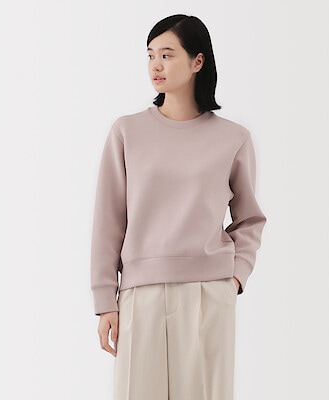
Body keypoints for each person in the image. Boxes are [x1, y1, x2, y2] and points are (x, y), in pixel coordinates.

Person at [90, 14, 266, 400]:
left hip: (209, 293)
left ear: (197, 61)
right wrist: (105, 300)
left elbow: (250, 219)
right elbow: (108, 220)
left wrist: (233, 278)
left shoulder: (233, 138)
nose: (156, 65)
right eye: (151, 55)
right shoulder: (126, 131)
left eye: (167, 55)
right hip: (139, 293)